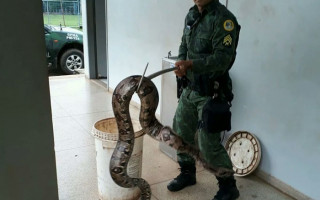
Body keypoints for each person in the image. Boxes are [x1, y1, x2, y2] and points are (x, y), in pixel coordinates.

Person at [167, 0, 240, 199]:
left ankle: (228, 186)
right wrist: (181, 65)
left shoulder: (224, 19)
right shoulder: (191, 15)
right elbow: (184, 44)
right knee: (179, 133)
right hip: (190, 88)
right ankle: (187, 173)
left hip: (211, 92)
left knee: (208, 144)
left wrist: (191, 65)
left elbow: (223, 59)